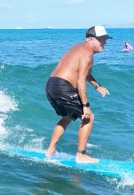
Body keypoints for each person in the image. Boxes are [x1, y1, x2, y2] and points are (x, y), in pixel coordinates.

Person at [44, 26, 112, 163]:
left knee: (68, 116)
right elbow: (81, 80)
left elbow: (85, 73)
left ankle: (50, 150)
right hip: (63, 86)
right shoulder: (87, 54)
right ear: (90, 39)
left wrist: (97, 86)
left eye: (105, 39)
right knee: (88, 117)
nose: (104, 42)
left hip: (51, 84)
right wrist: (85, 106)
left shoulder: (78, 48)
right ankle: (81, 155)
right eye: (101, 39)